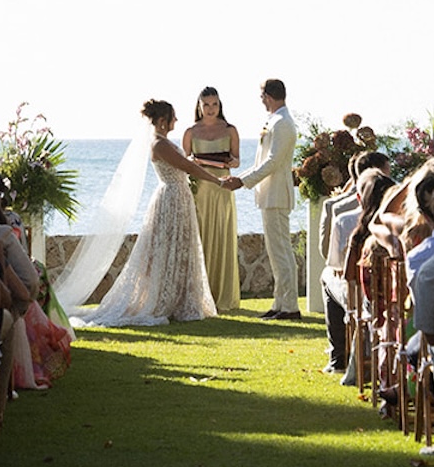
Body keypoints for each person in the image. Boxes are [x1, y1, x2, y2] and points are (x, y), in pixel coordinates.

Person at [81, 102, 219, 326]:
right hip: (172, 198)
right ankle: (165, 300)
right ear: (163, 120)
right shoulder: (158, 144)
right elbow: (188, 167)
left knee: (181, 247)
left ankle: (180, 299)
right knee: (166, 249)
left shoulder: (163, 142)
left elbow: (186, 164)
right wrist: (218, 181)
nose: (176, 121)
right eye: (173, 117)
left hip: (179, 196)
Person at [226, 79, 299, 320]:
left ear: (267, 96)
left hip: (277, 195)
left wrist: (244, 182)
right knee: (276, 252)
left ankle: (289, 307)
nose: (261, 101)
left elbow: (273, 162)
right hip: (270, 195)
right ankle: (280, 303)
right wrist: (241, 177)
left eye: (261, 96)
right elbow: (262, 162)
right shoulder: (276, 121)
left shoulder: (283, 123)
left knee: (281, 253)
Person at [184, 87, 241, 315]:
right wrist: (193, 161)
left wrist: (228, 162)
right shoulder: (190, 132)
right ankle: (199, 296)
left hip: (222, 188)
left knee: (222, 236)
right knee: (201, 238)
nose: (210, 109)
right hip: (199, 191)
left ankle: (222, 296)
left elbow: (236, 161)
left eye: (214, 104)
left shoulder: (230, 130)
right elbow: (184, 162)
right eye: (206, 104)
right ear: (199, 106)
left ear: (220, 105)